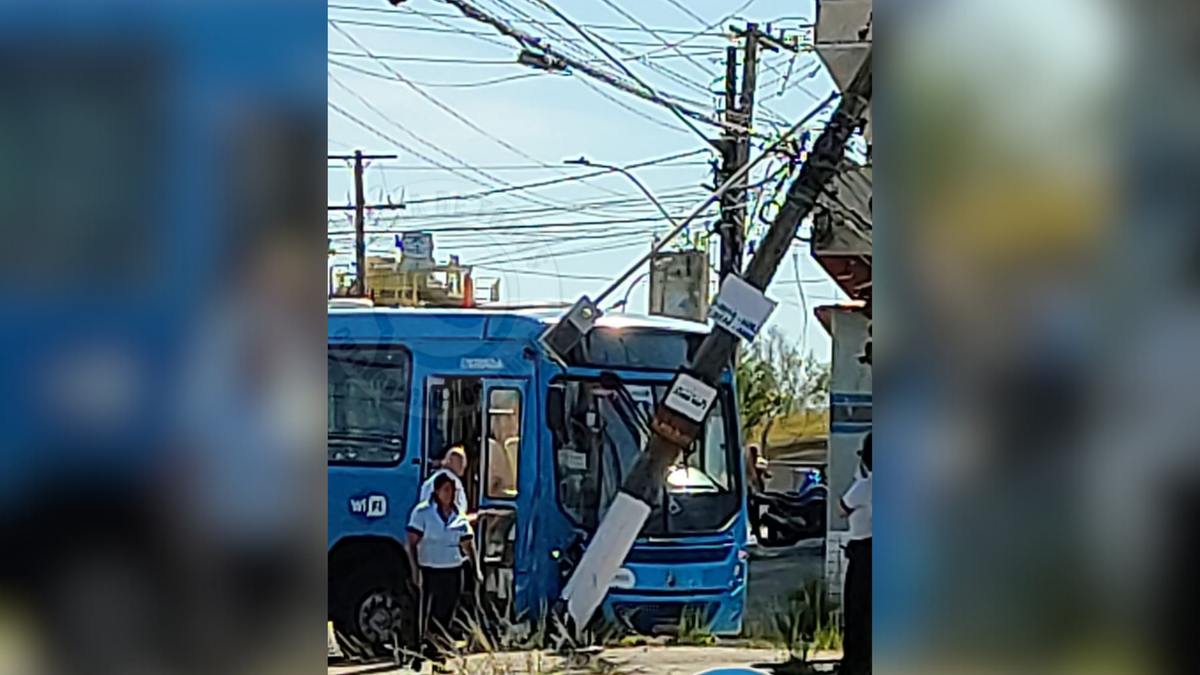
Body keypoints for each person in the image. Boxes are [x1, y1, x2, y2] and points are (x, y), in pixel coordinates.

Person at [406, 473, 482, 666]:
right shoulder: (422, 512)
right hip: (430, 568)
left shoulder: (458, 515)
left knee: (446, 612)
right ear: (437, 492)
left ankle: (438, 653)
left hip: (453, 568)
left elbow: (468, 543)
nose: (450, 495)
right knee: (426, 613)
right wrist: (415, 571)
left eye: (453, 490)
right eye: (446, 490)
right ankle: (418, 651)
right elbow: (412, 543)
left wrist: (476, 568)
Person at [839, 432, 872, 675]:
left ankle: (857, 666)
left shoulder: (865, 485)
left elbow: (842, 509)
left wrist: (858, 474)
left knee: (858, 614)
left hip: (864, 554)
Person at [420, 446, 469, 516]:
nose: (464, 465)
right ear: (449, 461)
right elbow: (457, 513)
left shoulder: (433, 479)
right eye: (461, 461)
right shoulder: (451, 481)